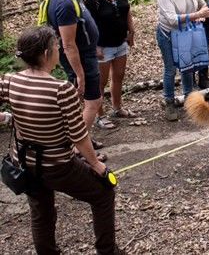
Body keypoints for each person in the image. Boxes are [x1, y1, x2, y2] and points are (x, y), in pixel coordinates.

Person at [0, 26, 119, 254]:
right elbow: (79, 136)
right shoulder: (60, 89)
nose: (59, 51)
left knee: (41, 211)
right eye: (56, 47)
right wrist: (96, 165)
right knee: (103, 194)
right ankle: (107, 251)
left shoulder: (10, 81)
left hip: (24, 164)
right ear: (46, 54)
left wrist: (6, 117)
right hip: (58, 166)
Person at [44, 0, 105, 161]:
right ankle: (78, 149)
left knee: (85, 102)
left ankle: (83, 139)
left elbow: (81, 30)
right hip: (80, 61)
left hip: (86, 55)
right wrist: (79, 74)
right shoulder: (63, 3)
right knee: (93, 102)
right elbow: (68, 43)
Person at [156, 0, 209, 121]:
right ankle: (169, 101)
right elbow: (172, 20)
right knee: (171, 69)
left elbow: (202, 4)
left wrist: (203, 12)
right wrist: (196, 15)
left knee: (187, 66)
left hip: (187, 32)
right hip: (168, 34)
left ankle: (190, 101)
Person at [84, 0, 137, 129]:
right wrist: (95, 46)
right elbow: (88, 24)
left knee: (119, 76)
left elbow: (126, 10)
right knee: (101, 82)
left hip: (120, 41)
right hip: (103, 45)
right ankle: (100, 116)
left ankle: (117, 107)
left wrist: (131, 31)